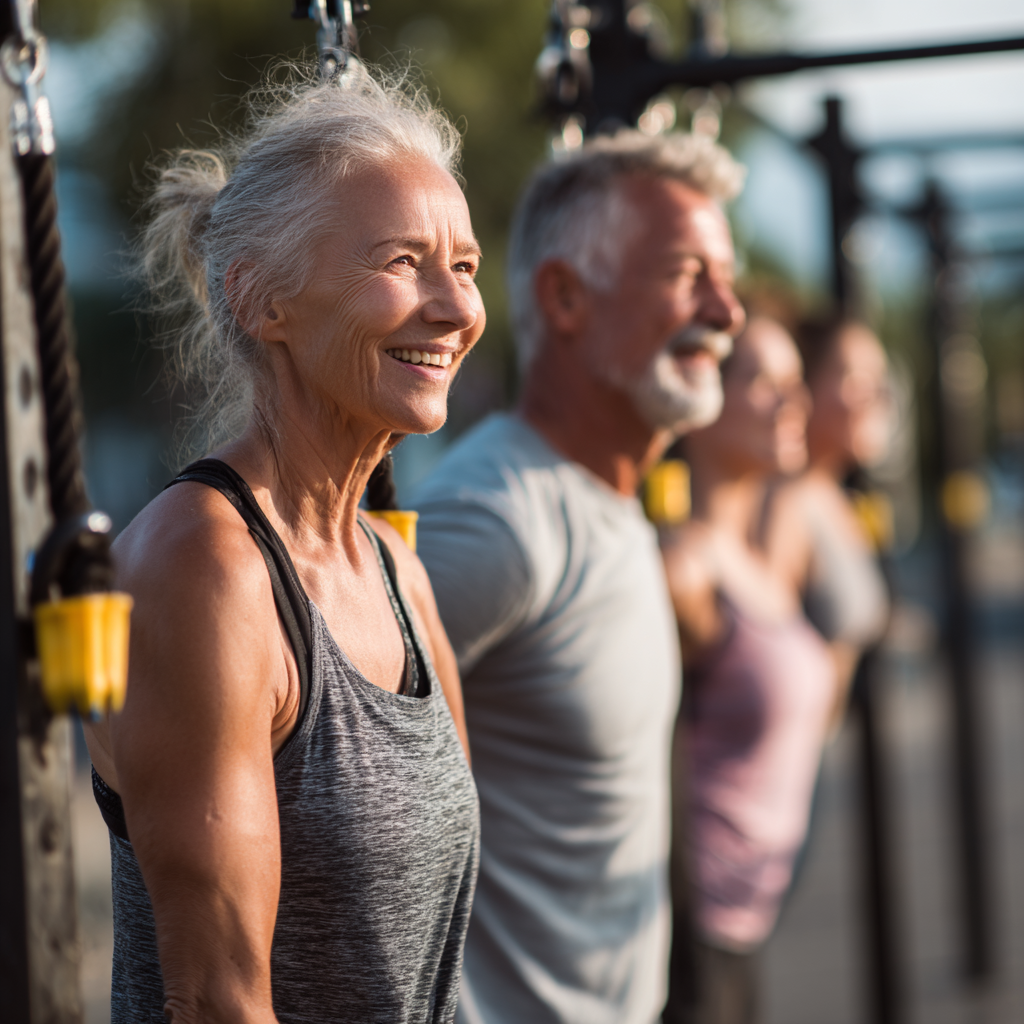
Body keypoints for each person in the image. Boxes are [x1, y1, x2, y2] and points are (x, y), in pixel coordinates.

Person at [83, 68, 483, 1024]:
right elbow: (218, 999)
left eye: (464, 266)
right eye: (403, 261)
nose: (456, 309)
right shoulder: (207, 571)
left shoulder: (396, 572)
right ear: (264, 303)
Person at [411, 130, 746, 1024]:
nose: (728, 311)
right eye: (687, 274)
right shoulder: (498, 520)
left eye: (727, 276)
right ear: (564, 296)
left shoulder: (613, 494)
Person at [660, 318, 836, 1024]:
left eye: (796, 382)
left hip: (749, 920)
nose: (793, 401)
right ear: (702, 402)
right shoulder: (686, 568)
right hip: (696, 933)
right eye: (765, 381)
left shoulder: (762, 558)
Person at [765, 317, 894, 706]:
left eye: (878, 377)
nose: (875, 394)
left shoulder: (835, 498)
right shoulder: (787, 504)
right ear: (805, 388)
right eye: (854, 377)